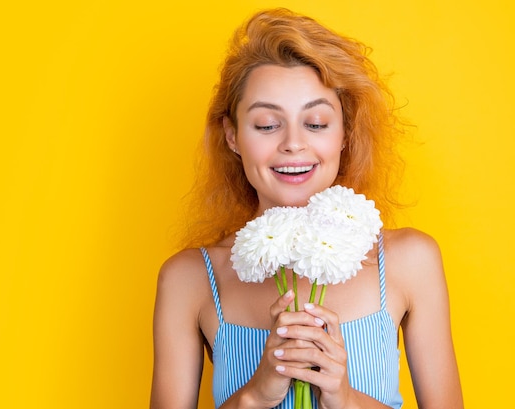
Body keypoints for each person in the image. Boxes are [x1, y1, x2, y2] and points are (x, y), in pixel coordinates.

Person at [150, 8, 463, 409]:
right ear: (232, 135)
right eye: (267, 125)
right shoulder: (189, 279)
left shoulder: (408, 260)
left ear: (345, 134)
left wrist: (345, 398)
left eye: (315, 123)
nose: (293, 144)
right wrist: (255, 394)